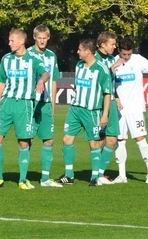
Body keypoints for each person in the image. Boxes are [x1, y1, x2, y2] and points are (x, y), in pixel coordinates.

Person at [0, 28, 49, 190]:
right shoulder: (6, 59)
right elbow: (1, 82)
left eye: (12, 41)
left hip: (24, 104)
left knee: (23, 142)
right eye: (9, 40)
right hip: (6, 103)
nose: (9, 43)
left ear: (22, 41)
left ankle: (22, 179)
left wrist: (41, 81)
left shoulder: (33, 59)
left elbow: (46, 73)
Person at [110, 37, 148, 184]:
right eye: (123, 54)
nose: (126, 57)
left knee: (140, 139)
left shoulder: (138, 60)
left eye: (128, 54)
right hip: (119, 108)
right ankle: (122, 175)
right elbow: (106, 81)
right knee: (120, 141)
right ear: (119, 51)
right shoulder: (112, 61)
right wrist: (113, 67)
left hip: (135, 107)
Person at [56, 39, 111, 186]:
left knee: (94, 143)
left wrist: (105, 115)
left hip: (91, 111)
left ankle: (95, 177)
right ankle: (69, 175)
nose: (77, 52)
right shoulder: (79, 65)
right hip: (75, 109)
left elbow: (107, 93)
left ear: (87, 51)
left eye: (80, 49)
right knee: (67, 139)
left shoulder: (101, 69)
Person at [26, 25, 62, 187]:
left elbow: (53, 81)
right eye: (39, 38)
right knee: (27, 139)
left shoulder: (51, 56)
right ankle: (23, 177)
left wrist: (53, 104)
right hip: (30, 102)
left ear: (48, 38)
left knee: (49, 139)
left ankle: (45, 179)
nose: (41, 41)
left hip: (46, 103)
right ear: (34, 38)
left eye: (44, 38)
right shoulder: (27, 54)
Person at [93, 32, 120, 184]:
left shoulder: (111, 59)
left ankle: (100, 173)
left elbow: (112, 83)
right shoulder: (93, 59)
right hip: (97, 104)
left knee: (112, 140)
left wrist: (117, 98)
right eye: (112, 44)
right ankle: (95, 174)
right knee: (98, 140)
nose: (114, 47)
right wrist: (111, 69)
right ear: (103, 44)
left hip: (112, 103)